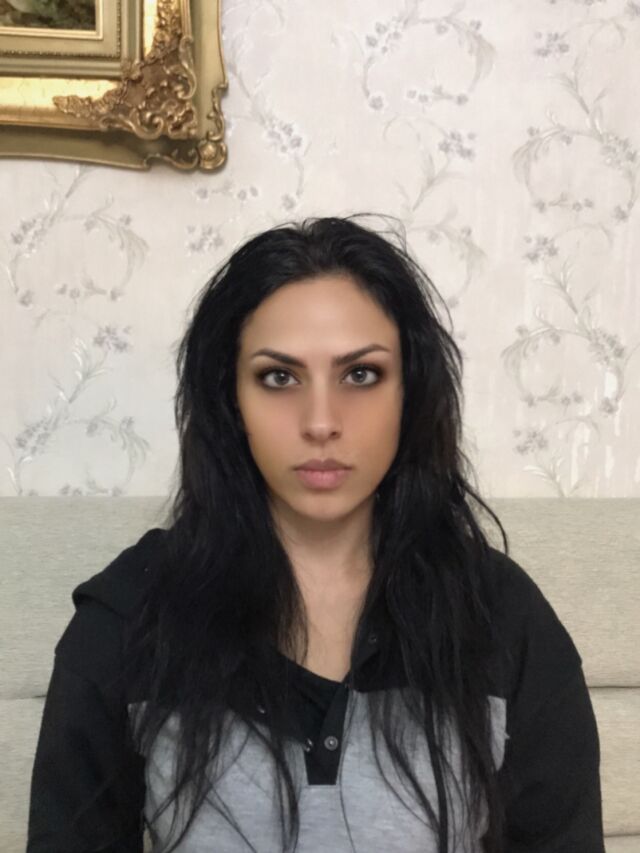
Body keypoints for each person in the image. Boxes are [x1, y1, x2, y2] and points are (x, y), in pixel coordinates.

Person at [26, 216, 605, 853]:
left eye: (361, 375)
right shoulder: (126, 618)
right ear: (230, 399)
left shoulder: (503, 617)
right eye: (279, 377)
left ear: (410, 394)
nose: (321, 422)